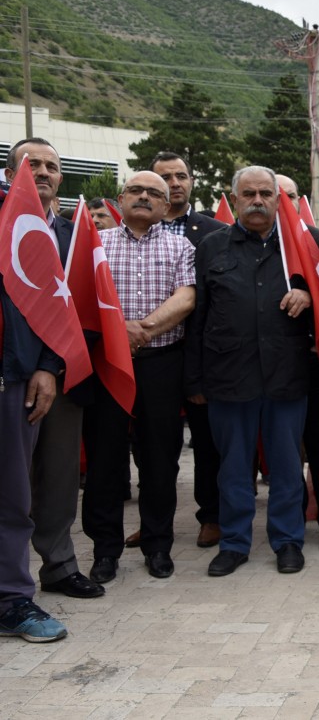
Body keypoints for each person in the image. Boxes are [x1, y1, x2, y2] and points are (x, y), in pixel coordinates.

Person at [187, 165, 314, 577]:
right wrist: (196, 379)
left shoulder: (302, 246)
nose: (257, 200)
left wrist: (308, 294)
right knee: (234, 468)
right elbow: (198, 315)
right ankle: (235, 543)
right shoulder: (211, 246)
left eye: (266, 193)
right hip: (229, 375)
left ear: (280, 200)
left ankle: (288, 541)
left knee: (286, 468)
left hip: (286, 374)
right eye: (249, 194)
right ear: (235, 198)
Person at [88, 171, 196, 582]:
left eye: (155, 193)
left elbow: (186, 296)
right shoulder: (96, 244)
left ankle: (157, 545)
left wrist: (144, 328)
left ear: (167, 206)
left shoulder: (180, 245)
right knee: (105, 458)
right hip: (109, 363)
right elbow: (85, 295)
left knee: (159, 459)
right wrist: (119, 332)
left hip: (161, 362)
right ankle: (104, 550)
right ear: (120, 198)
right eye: (137, 190)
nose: (145, 197)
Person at [3, 140, 99, 600]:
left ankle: (59, 565)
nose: (41, 172)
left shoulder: (77, 235)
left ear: (61, 178)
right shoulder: (3, 227)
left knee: (60, 476)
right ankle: (11, 579)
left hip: (64, 372)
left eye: (51, 167)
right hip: (14, 371)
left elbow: (79, 308)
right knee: (13, 482)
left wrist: (52, 365)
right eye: (30, 164)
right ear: (10, 173)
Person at [0, 171, 68, 641]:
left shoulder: (17, 213)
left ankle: (11, 599)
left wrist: (46, 364)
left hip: (13, 378)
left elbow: (50, 297)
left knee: (11, 498)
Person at [151, 151, 227, 550]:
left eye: (182, 175)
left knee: (207, 441)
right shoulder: (138, 229)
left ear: (192, 181)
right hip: (155, 353)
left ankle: (211, 516)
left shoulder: (215, 232)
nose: (175, 183)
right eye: (167, 176)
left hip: (201, 352)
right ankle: (154, 522)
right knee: (157, 443)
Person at [277, 174, 319, 551]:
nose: (282, 203)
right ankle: (290, 519)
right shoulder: (253, 241)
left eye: (289, 196)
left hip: (313, 358)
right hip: (269, 364)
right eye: (276, 196)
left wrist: (310, 292)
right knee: (283, 447)